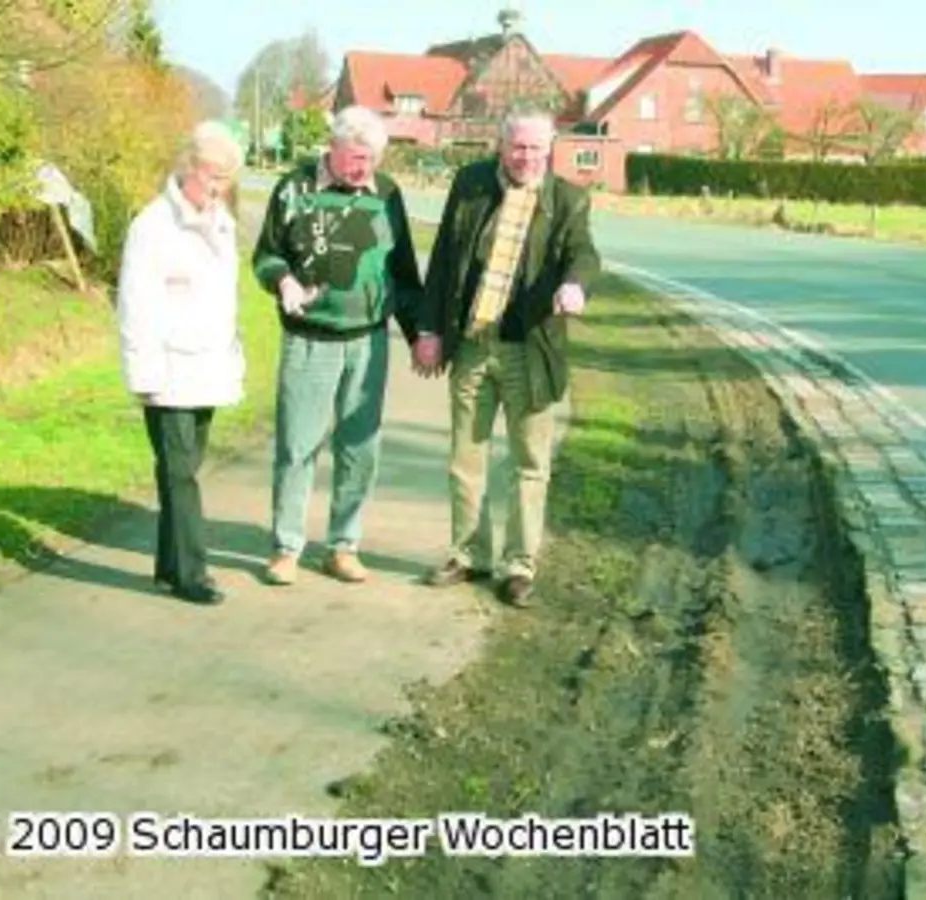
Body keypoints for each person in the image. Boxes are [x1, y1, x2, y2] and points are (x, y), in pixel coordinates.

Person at [412, 109, 601, 607]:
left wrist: (574, 286)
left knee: (529, 464)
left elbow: (584, 253)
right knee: (465, 457)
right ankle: (468, 554)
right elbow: (445, 262)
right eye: (518, 147)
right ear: (501, 145)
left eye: (537, 149)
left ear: (550, 149)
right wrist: (429, 329)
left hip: (530, 351)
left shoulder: (568, 199)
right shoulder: (471, 184)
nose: (527, 157)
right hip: (473, 345)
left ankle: (519, 566)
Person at [251, 105, 425, 586]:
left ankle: (343, 546)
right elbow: (266, 253)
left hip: (368, 342)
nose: (363, 169)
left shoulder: (387, 194)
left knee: (360, 448)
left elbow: (405, 274)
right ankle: (286, 547)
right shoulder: (294, 188)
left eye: (371, 159)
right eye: (355, 157)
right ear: (333, 146)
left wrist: (419, 336)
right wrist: (282, 279)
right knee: (297, 446)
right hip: (309, 340)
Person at [115, 121, 246, 606]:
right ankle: (193, 574)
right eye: (213, 178)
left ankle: (169, 567)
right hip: (166, 371)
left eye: (226, 181)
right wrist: (143, 375)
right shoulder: (151, 226)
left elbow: (223, 303)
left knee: (183, 469)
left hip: (207, 368)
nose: (219, 190)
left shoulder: (221, 224)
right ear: (189, 167)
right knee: (181, 475)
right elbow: (134, 305)